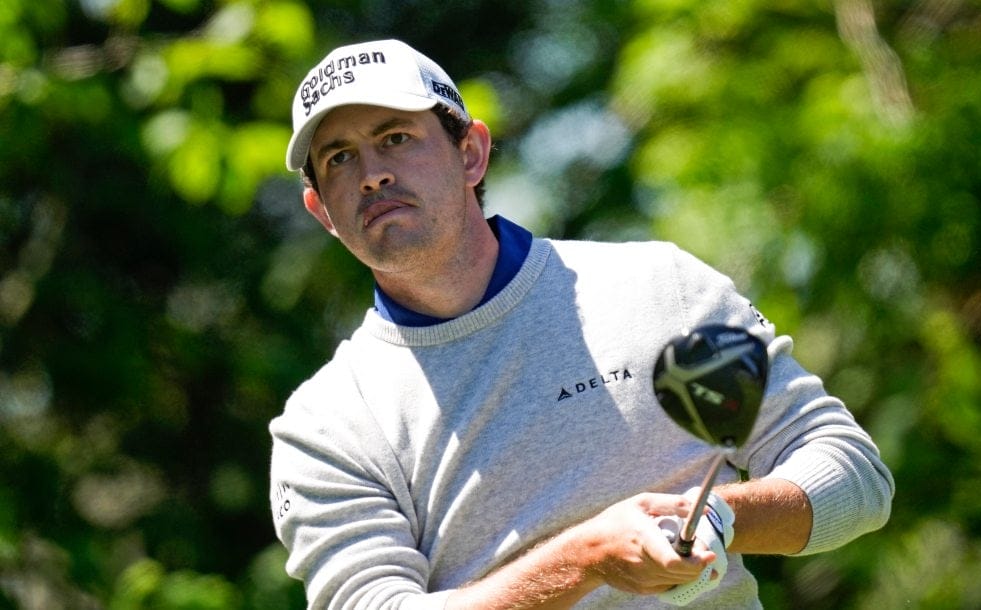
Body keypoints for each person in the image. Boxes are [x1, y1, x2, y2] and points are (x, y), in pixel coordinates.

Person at [269, 38, 894, 609]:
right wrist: (587, 559)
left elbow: (854, 477)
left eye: (396, 138)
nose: (372, 172)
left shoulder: (660, 287)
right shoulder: (324, 426)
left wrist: (718, 518)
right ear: (321, 208)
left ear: (471, 154)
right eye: (340, 157)